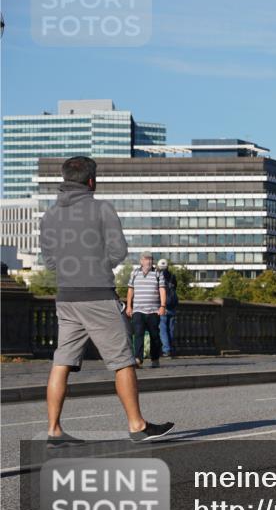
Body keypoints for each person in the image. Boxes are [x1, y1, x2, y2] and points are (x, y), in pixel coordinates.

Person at [38, 156, 174, 446]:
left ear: (64, 180)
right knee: (123, 360)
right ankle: (137, 425)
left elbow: (49, 260)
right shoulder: (101, 209)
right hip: (98, 294)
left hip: (66, 297)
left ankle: (54, 430)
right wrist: (97, 267)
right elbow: (119, 250)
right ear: (91, 181)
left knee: (61, 361)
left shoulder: (49, 216)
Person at [127, 252, 166, 369]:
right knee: (138, 334)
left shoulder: (158, 274)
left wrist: (162, 306)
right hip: (138, 310)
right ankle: (138, 359)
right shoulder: (135, 273)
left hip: (154, 311)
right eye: (146, 259)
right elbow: (130, 290)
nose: (148, 261)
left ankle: (155, 359)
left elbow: (162, 290)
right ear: (141, 261)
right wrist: (129, 306)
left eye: (150, 259)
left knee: (155, 336)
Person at [157, 259, 180, 358]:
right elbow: (175, 288)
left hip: (163, 305)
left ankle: (166, 350)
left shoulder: (158, 276)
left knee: (162, 329)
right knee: (170, 329)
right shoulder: (172, 276)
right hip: (173, 306)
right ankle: (170, 348)